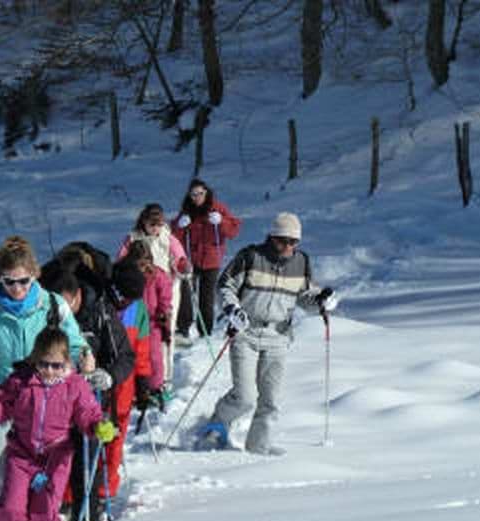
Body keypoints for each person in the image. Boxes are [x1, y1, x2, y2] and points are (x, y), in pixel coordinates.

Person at [0, 236, 94, 521]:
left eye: (23, 280)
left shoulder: (52, 305)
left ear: (35, 274)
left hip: (44, 399)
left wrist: (85, 356)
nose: (16, 288)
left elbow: (75, 342)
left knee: (43, 475)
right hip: (0, 399)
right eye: (9, 281)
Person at [0, 327, 117, 521]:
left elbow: (87, 413)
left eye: (56, 365)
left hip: (55, 458)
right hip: (22, 455)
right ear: (35, 360)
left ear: (67, 361)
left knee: (44, 512)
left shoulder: (74, 385)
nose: (49, 371)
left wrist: (98, 426)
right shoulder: (20, 382)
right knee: (10, 510)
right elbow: (0, 411)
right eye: (44, 364)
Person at [196, 213, 337, 455]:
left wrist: (321, 302)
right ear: (272, 237)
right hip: (246, 333)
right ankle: (216, 427)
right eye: (283, 240)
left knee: (270, 399)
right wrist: (232, 308)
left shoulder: (301, 262)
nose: (288, 247)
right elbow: (225, 286)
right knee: (245, 396)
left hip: (278, 336)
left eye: (294, 242)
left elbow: (303, 297)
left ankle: (258, 449)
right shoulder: (250, 257)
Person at [38, 251, 136, 521]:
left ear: (78, 296)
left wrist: (108, 375)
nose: (62, 313)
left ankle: (88, 518)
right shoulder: (46, 315)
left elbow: (125, 356)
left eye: (66, 305)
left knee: (86, 459)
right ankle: (52, 514)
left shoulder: (101, 313)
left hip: (90, 399)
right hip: (53, 400)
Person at [117, 203, 189, 386]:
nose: (155, 228)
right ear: (144, 222)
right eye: (152, 224)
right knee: (137, 336)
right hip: (138, 289)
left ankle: (165, 375)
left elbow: (179, 256)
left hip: (165, 287)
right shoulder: (133, 239)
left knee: (165, 333)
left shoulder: (167, 238)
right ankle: (137, 377)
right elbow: (120, 260)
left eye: (158, 224)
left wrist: (182, 265)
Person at [101, 257, 152, 504]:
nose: (126, 302)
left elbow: (142, 347)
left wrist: (144, 382)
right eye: (124, 296)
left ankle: (106, 493)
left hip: (125, 383)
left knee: (115, 437)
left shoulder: (139, 308)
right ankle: (74, 496)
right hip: (98, 379)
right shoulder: (99, 302)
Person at [172, 178, 241, 345]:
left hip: (211, 260)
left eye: (200, 193)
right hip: (191, 259)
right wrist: (180, 226)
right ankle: (183, 328)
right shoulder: (187, 212)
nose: (197, 197)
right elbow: (173, 236)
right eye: (193, 194)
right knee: (186, 292)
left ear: (206, 193)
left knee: (206, 297)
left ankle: (205, 332)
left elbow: (233, 231)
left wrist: (222, 221)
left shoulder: (217, 209)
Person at [125, 240, 173, 407]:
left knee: (154, 356)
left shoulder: (158, 275)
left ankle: (155, 386)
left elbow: (165, 295)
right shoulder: (127, 275)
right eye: (138, 263)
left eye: (145, 262)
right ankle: (135, 388)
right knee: (133, 355)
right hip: (132, 320)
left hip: (152, 321)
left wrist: (163, 311)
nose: (142, 267)